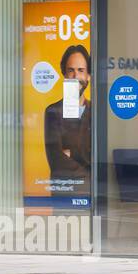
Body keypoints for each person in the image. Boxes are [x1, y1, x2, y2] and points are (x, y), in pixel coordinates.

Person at [44, 44, 91, 181]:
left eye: (81, 70)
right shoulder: (53, 112)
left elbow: (100, 157)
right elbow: (57, 161)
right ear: (64, 74)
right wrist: (88, 170)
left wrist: (71, 153)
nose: (75, 76)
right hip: (64, 190)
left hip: (92, 191)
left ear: (88, 75)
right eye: (71, 70)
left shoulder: (96, 112)